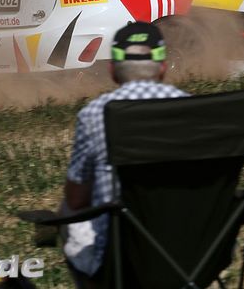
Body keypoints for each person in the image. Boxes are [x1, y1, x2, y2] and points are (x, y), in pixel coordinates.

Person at [63, 21, 187, 288]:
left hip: (122, 258)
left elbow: (76, 199)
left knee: (68, 207)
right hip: (195, 255)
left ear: (112, 71)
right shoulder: (194, 110)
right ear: (163, 66)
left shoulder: (95, 113)